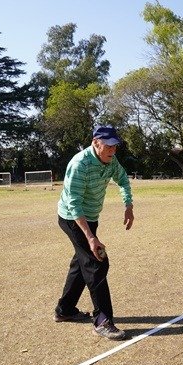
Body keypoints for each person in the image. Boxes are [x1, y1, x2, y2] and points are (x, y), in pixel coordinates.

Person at [53, 124, 134, 340]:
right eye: (108, 146)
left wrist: (128, 206)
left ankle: (65, 310)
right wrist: (90, 236)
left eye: (115, 146)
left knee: (82, 263)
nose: (112, 150)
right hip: (72, 218)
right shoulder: (80, 164)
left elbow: (123, 180)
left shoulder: (111, 160)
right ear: (95, 143)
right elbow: (74, 204)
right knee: (97, 263)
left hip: (91, 217)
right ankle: (102, 320)